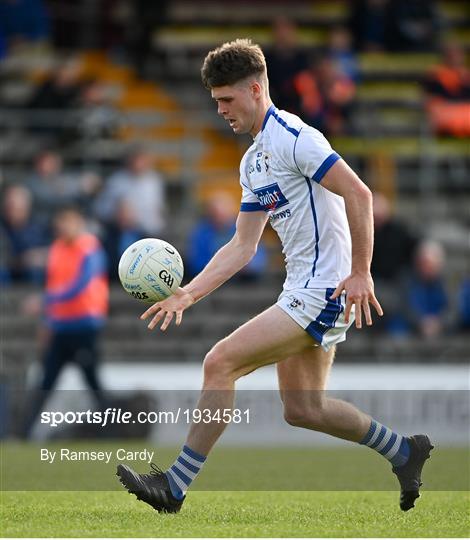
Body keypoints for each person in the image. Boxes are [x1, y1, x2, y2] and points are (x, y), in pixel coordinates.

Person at [117, 39, 433, 513]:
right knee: (304, 409)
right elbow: (243, 246)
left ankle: (174, 487)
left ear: (256, 88)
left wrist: (361, 273)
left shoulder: (295, 137)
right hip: (303, 289)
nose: (221, 110)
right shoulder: (252, 161)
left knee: (219, 362)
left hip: (323, 290)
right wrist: (187, 294)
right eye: (216, 101)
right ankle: (404, 452)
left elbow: (360, 194)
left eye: (227, 99)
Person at [21, 206, 108, 437]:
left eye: (67, 222)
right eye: (60, 223)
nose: (63, 227)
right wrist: (47, 321)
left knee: (93, 382)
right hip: (60, 327)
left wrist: (45, 300)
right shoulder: (57, 249)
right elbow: (54, 284)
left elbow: (80, 286)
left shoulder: (89, 248)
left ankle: (113, 431)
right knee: (46, 382)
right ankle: (23, 434)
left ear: (78, 222)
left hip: (84, 325)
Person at [186, 191, 267, 281]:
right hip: (211, 278)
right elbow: (197, 262)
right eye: (216, 213)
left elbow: (257, 259)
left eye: (223, 212)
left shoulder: (245, 229)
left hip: (240, 279)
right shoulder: (202, 233)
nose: (220, 217)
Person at [93, 147, 166, 236]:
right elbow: (101, 208)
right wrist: (117, 212)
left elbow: (156, 212)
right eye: (136, 160)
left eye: (142, 161)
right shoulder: (116, 180)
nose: (138, 164)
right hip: (117, 230)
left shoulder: (154, 181)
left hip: (146, 231)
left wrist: (136, 216)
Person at [407, 240, 448, 339]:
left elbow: (453, 310)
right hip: (413, 329)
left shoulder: (446, 285)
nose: (426, 268)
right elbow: (404, 308)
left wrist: (438, 322)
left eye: (430, 264)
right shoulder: (407, 283)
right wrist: (421, 322)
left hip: (441, 329)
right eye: (423, 263)